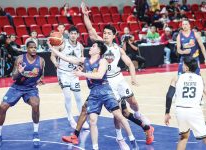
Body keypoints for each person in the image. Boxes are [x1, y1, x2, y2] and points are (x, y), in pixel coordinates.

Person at [61, 2, 154, 149]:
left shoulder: (117, 48)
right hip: (105, 81)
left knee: (132, 104)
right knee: (100, 110)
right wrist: (85, 16)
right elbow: (90, 29)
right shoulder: (99, 45)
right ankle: (79, 135)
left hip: (118, 78)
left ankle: (143, 122)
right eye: (104, 33)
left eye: (108, 33)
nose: (104, 35)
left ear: (114, 35)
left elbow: (130, 63)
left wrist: (133, 78)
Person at [51, 40, 139, 150]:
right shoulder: (85, 60)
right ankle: (95, 147)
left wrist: (82, 74)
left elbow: (99, 75)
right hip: (93, 92)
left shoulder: (103, 61)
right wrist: (53, 49)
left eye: (93, 46)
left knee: (119, 115)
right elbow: (68, 58)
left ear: (98, 50)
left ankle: (132, 139)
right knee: (92, 120)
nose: (90, 48)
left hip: (105, 89)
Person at [0, 41, 45, 148]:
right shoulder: (20, 59)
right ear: (27, 49)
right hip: (17, 87)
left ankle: (36, 132)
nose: (34, 49)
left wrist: (40, 80)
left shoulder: (41, 61)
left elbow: (41, 74)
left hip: (30, 88)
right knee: (2, 107)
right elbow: (13, 77)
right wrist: (19, 72)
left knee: (36, 104)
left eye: (35, 47)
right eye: (31, 47)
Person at [164, 57, 206, 150]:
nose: (182, 66)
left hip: (180, 111)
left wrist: (167, 113)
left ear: (186, 67)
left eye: (183, 64)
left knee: (183, 137)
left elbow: (169, 96)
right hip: (194, 111)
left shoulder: (176, 78)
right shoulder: (201, 79)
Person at [50, 26, 89, 129]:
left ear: (78, 35)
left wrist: (80, 69)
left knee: (78, 98)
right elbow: (52, 56)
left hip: (74, 74)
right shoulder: (62, 43)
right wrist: (55, 63)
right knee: (67, 96)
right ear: (69, 34)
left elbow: (81, 61)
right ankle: (70, 118)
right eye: (71, 33)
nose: (73, 35)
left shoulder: (80, 46)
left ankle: (81, 119)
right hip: (63, 73)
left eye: (75, 33)